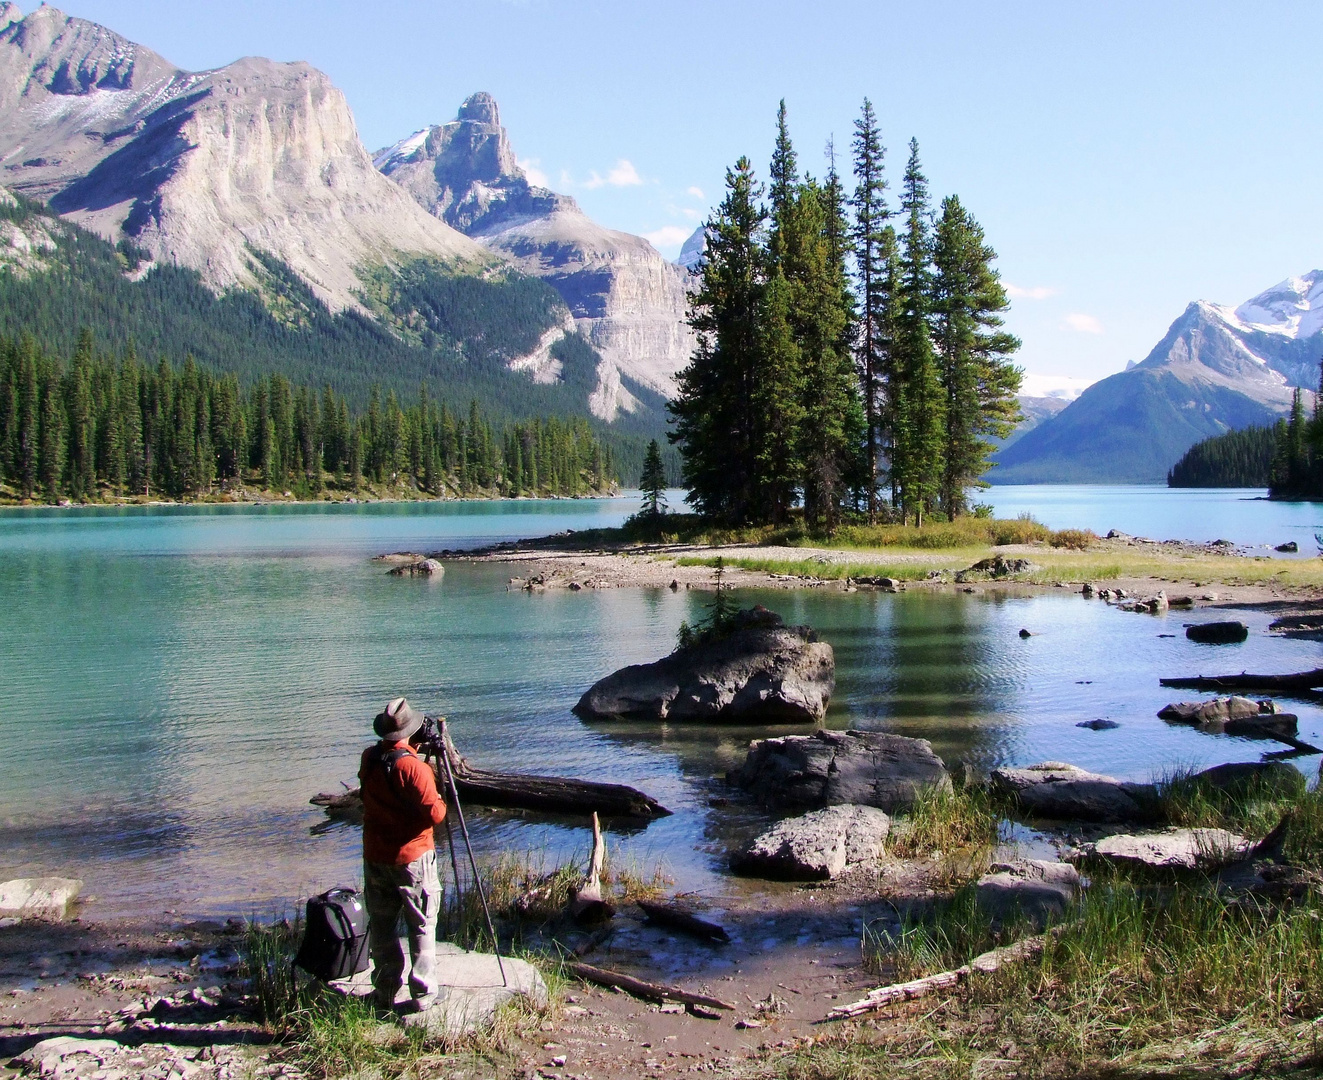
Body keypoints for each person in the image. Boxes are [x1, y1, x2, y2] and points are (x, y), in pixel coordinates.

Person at [359, 696, 447, 1013]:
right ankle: (423, 993)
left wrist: (414, 752)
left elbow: (389, 774)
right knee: (422, 924)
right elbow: (434, 814)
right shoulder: (415, 768)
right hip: (413, 859)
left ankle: (384, 990)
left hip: (375, 856)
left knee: (382, 926)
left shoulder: (369, 758)